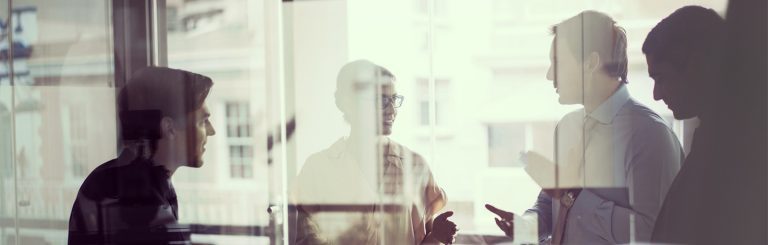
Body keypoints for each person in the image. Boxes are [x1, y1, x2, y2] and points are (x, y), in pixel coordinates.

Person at [486, 11, 683, 244]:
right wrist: (526, 226)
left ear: (591, 63)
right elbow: (553, 204)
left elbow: (652, 234)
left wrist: (574, 194)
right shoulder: (567, 127)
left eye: (557, 62)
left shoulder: (649, 135)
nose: (550, 75)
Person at [293, 60, 456, 244]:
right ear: (347, 103)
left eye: (395, 99)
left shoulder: (416, 167)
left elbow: (423, 240)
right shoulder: (318, 169)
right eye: (381, 100)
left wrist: (436, 237)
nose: (392, 110)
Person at [644, 5, 767, 244]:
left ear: (696, 66)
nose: (657, 94)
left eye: (661, 78)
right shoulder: (718, 138)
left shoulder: (736, 149)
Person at [68, 67, 216, 244]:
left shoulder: (112, 178)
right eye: (202, 121)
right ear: (169, 128)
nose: (211, 131)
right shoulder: (138, 198)